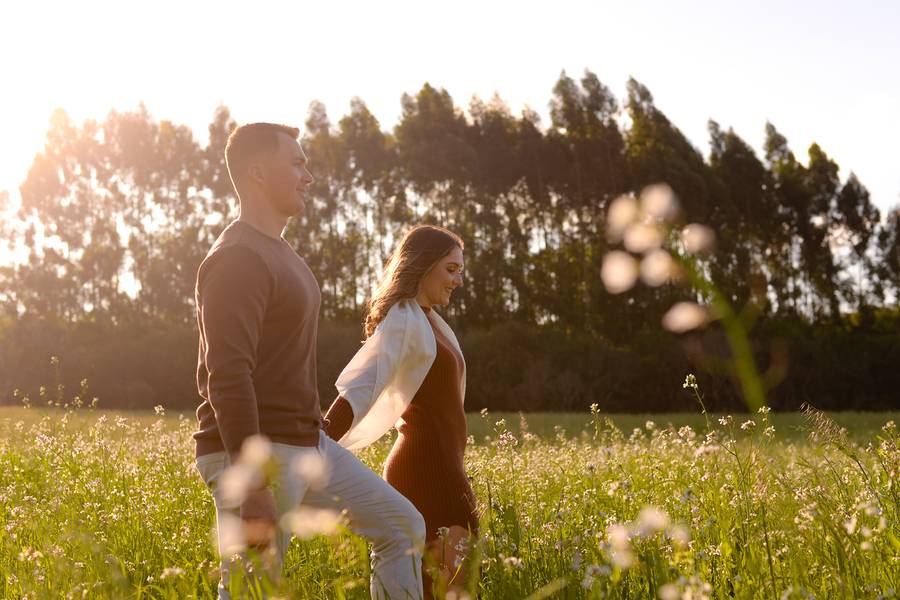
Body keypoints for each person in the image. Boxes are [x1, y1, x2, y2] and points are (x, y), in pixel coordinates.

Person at [193, 122, 425, 599]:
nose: (309, 176)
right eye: (297, 163)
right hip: (260, 454)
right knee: (250, 591)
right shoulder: (237, 257)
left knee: (403, 526)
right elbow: (228, 373)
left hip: (306, 443)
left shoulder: (281, 253)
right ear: (257, 173)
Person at [322, 225, 479, 598]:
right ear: (424, 265)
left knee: (448, 581)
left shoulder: (433, 323)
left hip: (446, 464)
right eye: (451, 269)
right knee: (440, 584)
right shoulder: (405, 320)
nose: (458, 280)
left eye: (460, 270)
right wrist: (317, 443)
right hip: (423, 466)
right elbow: (361, 387)